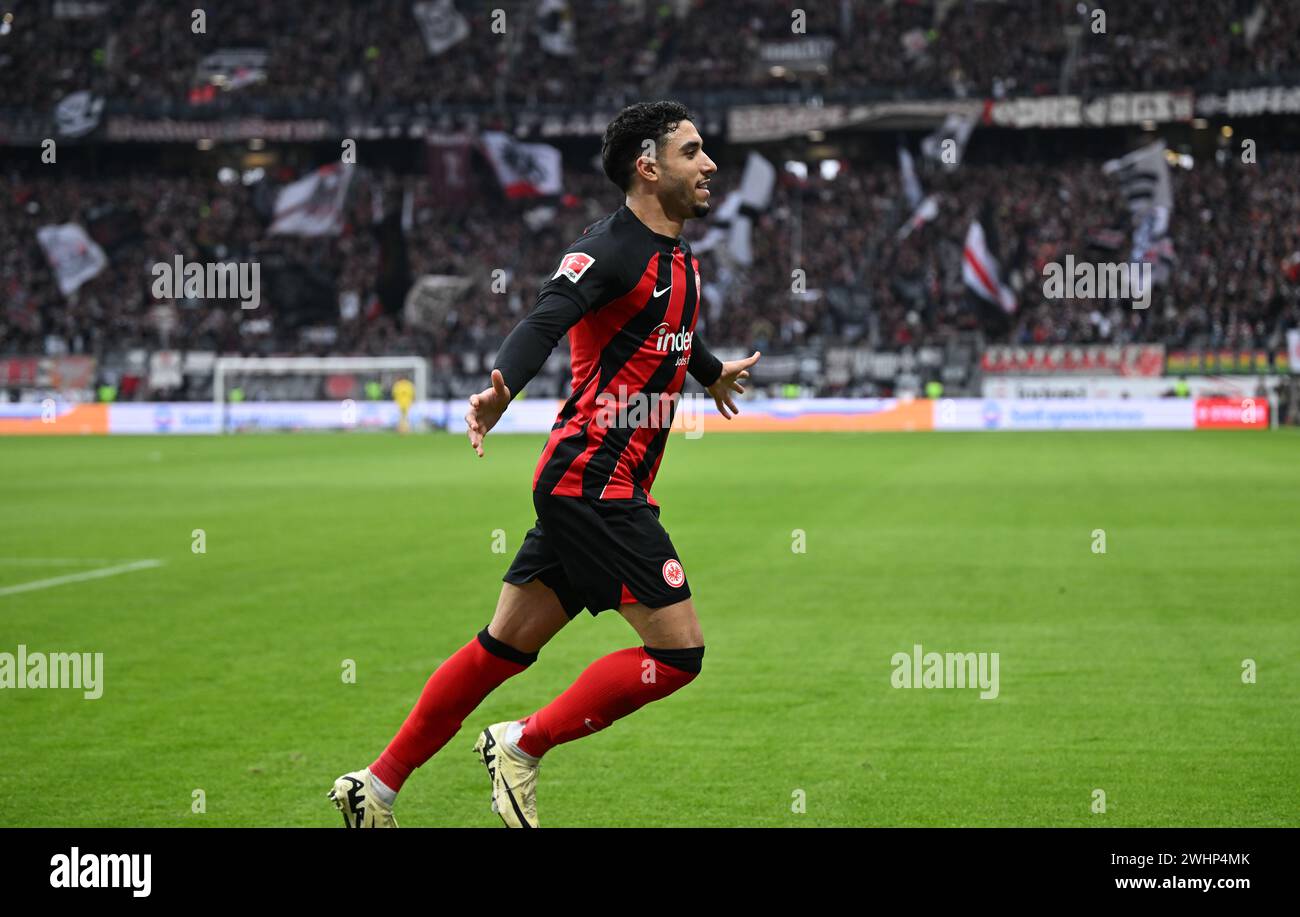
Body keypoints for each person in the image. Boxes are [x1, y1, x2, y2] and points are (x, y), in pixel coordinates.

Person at [329, 100, 759, 828]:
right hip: (596, 481)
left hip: (591, 483)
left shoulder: (677, 257)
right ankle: (522, 743)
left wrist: (710, 371)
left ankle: (375, 785)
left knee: (501, 647)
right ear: (648, 167)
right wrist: (504, 385)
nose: (709, 163)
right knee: (678, 652)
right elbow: (545, 317)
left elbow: (667, 335)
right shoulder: (609, 248)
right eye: (692, 152)